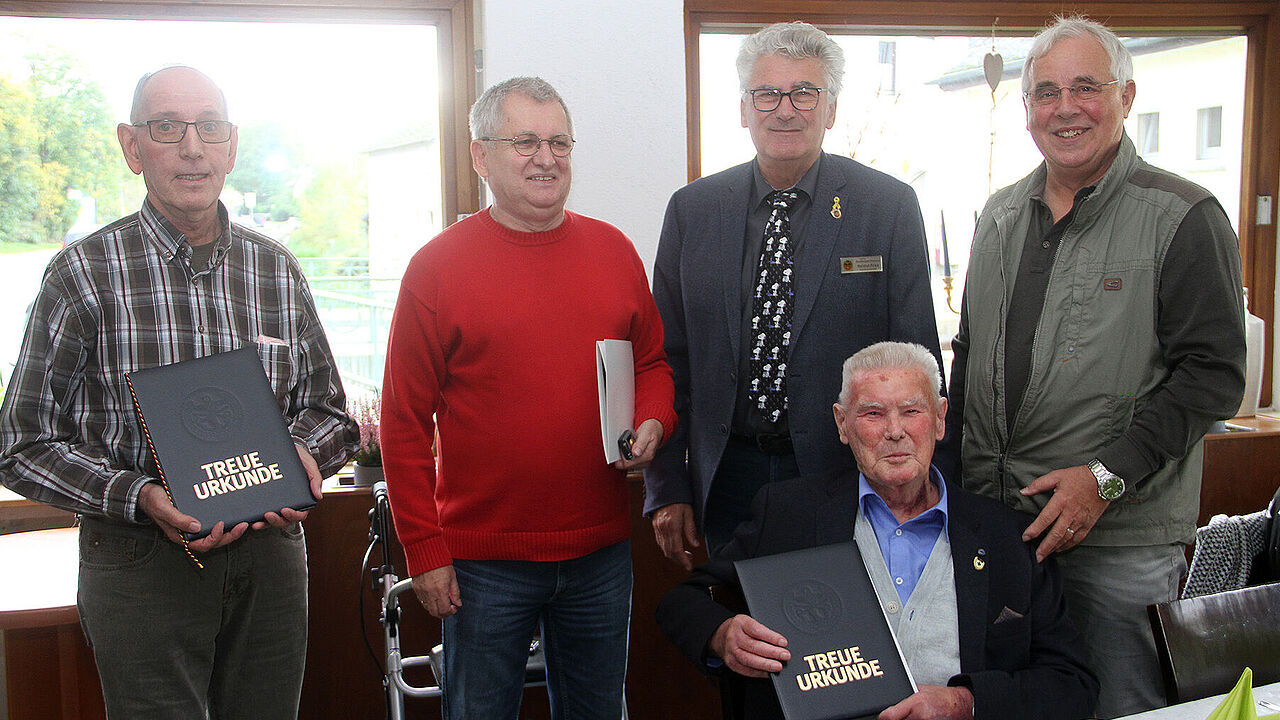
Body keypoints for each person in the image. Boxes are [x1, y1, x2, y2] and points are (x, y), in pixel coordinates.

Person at [0, 66, 358, 718]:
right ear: (132, 146)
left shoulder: (275, 268)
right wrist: (141, 497)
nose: (192, 147)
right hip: (141, 563)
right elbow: (21, 443)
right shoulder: (82, 275)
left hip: (271, 561)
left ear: (231, 145)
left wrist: (303, 456)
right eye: (168, 128)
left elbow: (329, 412)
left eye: (209, 127)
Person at [949, 16, 1247, 718]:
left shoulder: (1182, 214)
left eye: (1087, 87)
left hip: (1118, 538)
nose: (1065, 107)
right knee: (1011, 705)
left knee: (1124, 706)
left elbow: (1214, 374)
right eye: (1046, 91)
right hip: (1002, 528)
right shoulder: (997, 217)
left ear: (1126, 96)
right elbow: (968, 362)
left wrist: (1103, 478)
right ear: (1026, 110)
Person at [380, 76, 676, 720]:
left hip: (600, 552)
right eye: (525, 142)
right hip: (483, 564)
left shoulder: (614, 249)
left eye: (559, 142)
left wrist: (653, 418)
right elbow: (401, 424)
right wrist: (424, 553)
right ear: (481, 156)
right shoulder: (436, 267)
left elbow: (651, 362)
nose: (547, 158)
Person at [657, 342, 1098, 720]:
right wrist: (723, 634)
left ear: (940, 420)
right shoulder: (788, 515)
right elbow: (683, 601)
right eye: (872, 413)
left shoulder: (1008, 537)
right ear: (842, 424)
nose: (894, 431)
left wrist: (967, 702)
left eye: (912, 411)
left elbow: (1071, 683)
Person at [645, 21, 948, 567]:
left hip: (847, 476)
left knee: (838, 640)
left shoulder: (887, 206)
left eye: (804, 93)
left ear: (830, 109)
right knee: (736, 635)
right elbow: (667, 361)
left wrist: (914, 475)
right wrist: (667, 486)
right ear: (744, 109)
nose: (785, 110)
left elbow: (918, 358)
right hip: (724, 478)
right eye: (767, 94)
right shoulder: (692, 210)